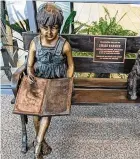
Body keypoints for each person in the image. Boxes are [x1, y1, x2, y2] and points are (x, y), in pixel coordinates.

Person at [27, 3, 74, 159]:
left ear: (59, 27)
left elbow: (71, 65)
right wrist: (29, 72)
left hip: (56, 82)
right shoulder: (35, 43)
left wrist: (67, 81)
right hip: (39, 82)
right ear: (40, 26)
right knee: (35, 113)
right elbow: (29, 64)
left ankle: (38, 145)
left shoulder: (64, 45)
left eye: (54, 27)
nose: (49, 32)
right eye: (45, 28)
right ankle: (42, 141)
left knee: (46, 111)